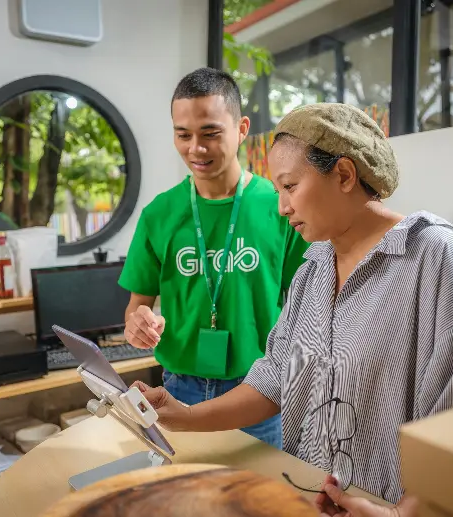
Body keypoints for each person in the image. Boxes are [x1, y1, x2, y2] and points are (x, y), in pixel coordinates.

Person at [130, 102, 453, 516]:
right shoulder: (313, 270)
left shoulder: (438, 260)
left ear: (345, 175)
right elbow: (274, 379)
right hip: (308, 499)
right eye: (278, 191)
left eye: (290, 187)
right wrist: (184, 415)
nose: (282, 207)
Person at [118, 67, 310, 449]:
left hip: (258, 392)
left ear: (241, 129)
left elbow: (307, 304)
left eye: (210, 133)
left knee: (258, 500)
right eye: (183, 134)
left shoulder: (280, 207)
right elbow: (135, 307)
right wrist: (136, 324)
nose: (196, 148)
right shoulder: (159, 213)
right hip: (176, 388)